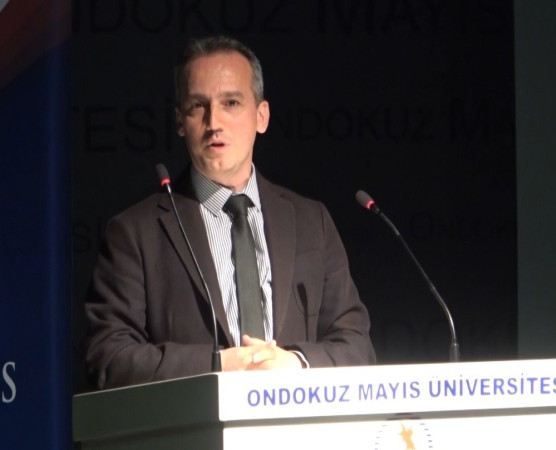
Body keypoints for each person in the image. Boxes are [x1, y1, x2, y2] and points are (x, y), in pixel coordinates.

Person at [84, 35, 375, 389]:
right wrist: (217, 365)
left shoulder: (312, 221)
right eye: (198, 106)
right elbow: (109, 357)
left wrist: (296, 363)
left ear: (261, 116)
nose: (214, 122)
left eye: (231, 103)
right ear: (180, 121)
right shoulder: (135, 233)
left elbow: (356, 346)